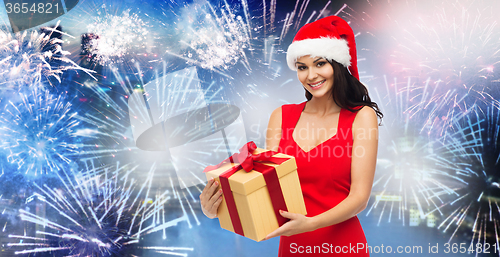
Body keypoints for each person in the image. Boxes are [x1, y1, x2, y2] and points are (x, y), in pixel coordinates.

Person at [200, 16, 382, 256]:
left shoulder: (362, 116)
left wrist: (310, 224)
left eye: (320, 64)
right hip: (293, 248)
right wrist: (217, 208)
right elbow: (264, 189)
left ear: (337, 64)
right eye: (302, 67)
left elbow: (359, 198)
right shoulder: (281, 117)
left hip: (344, 246)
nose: (311, 75)